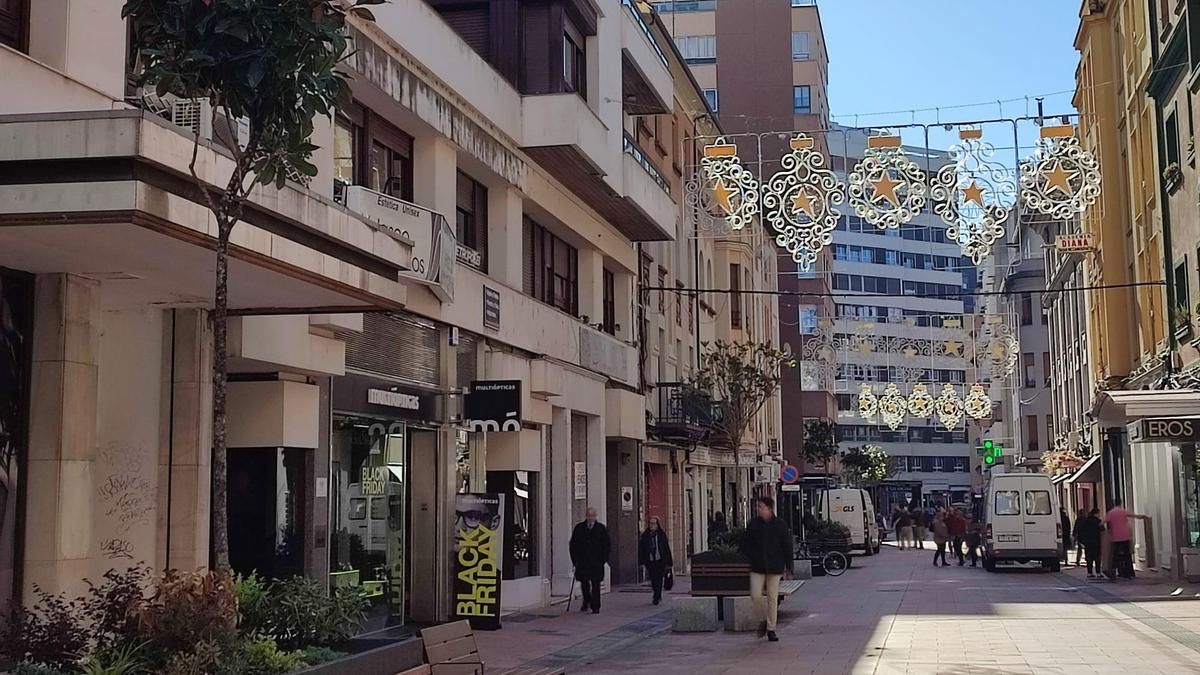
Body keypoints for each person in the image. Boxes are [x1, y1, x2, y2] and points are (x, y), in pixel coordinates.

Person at [740, 496, 793, 642]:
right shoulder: (753, 524)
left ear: (769, 508)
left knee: (772, 597)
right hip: (757, 566)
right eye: (757, 507)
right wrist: (751, 556)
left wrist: (789, 567)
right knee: (755, 595)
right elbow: (745, 543)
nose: (758, 509)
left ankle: (771, 629)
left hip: (775, 566)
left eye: (761, 507)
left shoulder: (780, 525)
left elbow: (787, 546)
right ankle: (763, 619)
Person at [570, 506, 611, 613]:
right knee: (584, 583)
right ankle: (586, 600)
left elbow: (607, 545)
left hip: (596, 562)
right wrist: (575, 560)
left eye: (592, 516)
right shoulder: (579, 528)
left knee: (596, 583)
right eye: (588, 516)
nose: (590, 518)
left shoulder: (601, 528)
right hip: (583, 562)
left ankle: (595, 606)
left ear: (595, 516)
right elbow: (573, 545)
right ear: (586, 516)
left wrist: (604, 559)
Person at [638, 516, 673, 605]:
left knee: (659, 578)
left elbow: (666, 548)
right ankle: (656, 593)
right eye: (650, 523)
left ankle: (657, 596)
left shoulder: (661, 535)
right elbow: (641, 549)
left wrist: (669, 562)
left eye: (654, 523)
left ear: (657, 525)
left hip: (659, 559)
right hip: (650, 560)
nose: (652, 525)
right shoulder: (645, 535)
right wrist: (641, 561)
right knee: (653, 579)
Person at [1105, 499, 1135, 579]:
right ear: (1120, 503)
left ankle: (1114, 570)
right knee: (1127, 554)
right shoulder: (1123, 511)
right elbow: (1134, 516)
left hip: (1115, 537)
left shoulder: (1110, 513)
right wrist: (1144, 517)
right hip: (1125, 536)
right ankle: (1128, 572)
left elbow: (1103, 522)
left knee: (1115, 555)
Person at [1077, 507, 1103, 578]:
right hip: (1096, 542)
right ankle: (1098, 572)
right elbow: (1102, 530)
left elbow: (1080, 530)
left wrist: (1081, 541)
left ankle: (1089, 572)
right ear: (1096, 513)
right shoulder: (1098, 521)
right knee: (1097, 558)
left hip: (1087, 543)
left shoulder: (1085, 521)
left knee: (1089, 558)